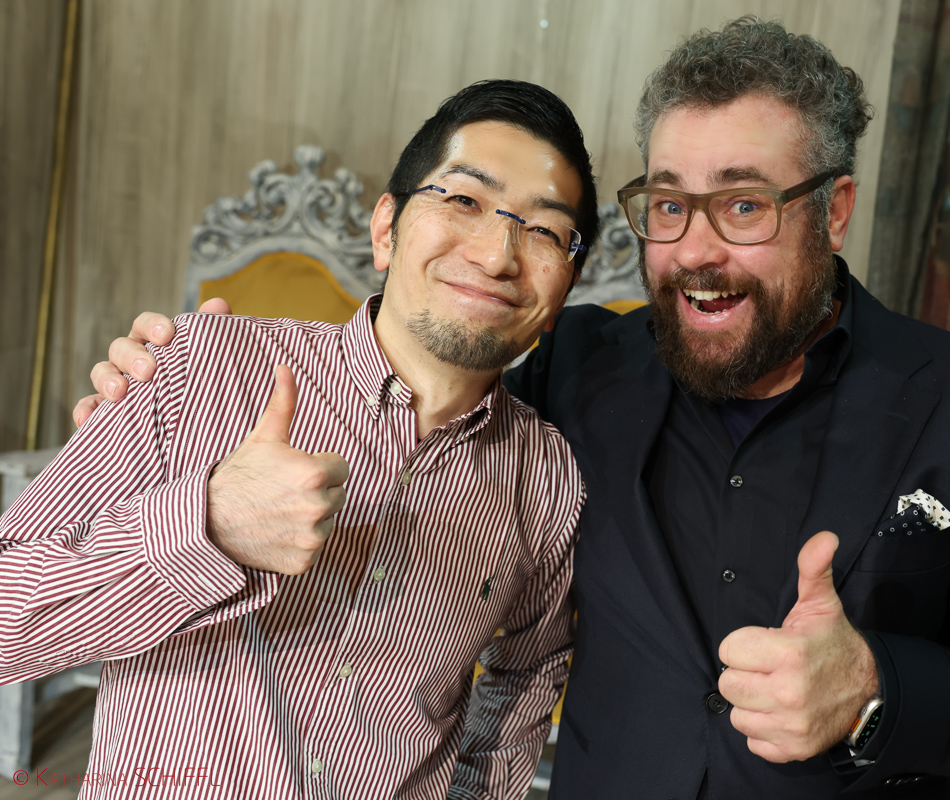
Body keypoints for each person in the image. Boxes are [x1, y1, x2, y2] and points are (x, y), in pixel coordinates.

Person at [78, 18, 950, 800]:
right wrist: (175, 395)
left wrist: (874, 689)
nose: (696, 250)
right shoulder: (576, 365)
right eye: (669, 204)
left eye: (743, 205)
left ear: (832, 210)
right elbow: (417, 389)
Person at [2, 80, 600, 799]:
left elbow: (526, 676)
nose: (499, 254)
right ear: (386, 229)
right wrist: (208, 527)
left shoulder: (549, 477)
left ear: (563, 290)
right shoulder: (196, 367)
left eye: (544, 231)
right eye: (464, 200)